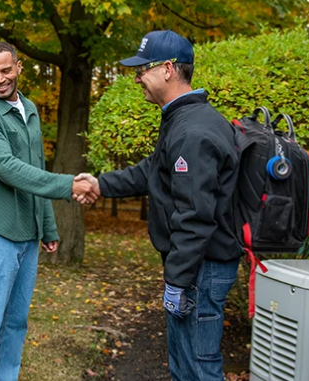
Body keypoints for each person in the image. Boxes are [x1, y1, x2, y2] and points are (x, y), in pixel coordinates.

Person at [77, 30, 241, 381]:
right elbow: (153, 171)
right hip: (195, 267)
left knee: (198, 369)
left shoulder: (193, 132)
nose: (137, 78)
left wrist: (178, 281)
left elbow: (195, 216)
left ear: (167, 69)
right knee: (183, 366)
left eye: (142, 70)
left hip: (201, 270)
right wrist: (100, 184)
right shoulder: (182, 120)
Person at [0, 41, 98, 381]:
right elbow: (8, 169)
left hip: (27, 233)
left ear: (19, 67)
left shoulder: (30, 108)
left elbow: (35, 167)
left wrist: (47, 225)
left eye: (6, 70)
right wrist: (69, 185)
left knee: (16, 322)